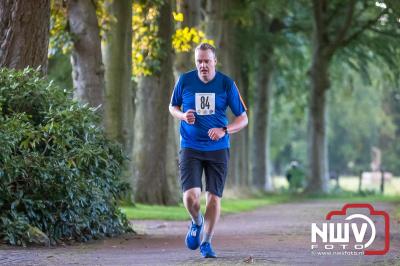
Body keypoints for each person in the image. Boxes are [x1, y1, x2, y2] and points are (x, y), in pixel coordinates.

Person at [169, 43, 248, 258]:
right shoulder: (185, 80)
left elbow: (243, 118)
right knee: (190, 198)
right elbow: (172, 107)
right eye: (199, 61)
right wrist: (184, 116)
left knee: (213, 198)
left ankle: (206, 242)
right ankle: (196, 222)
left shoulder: (226, 84)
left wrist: (224, 130)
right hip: (190, 146)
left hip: (218, 148)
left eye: (206, 61)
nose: (203, 65)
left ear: (215, 61)